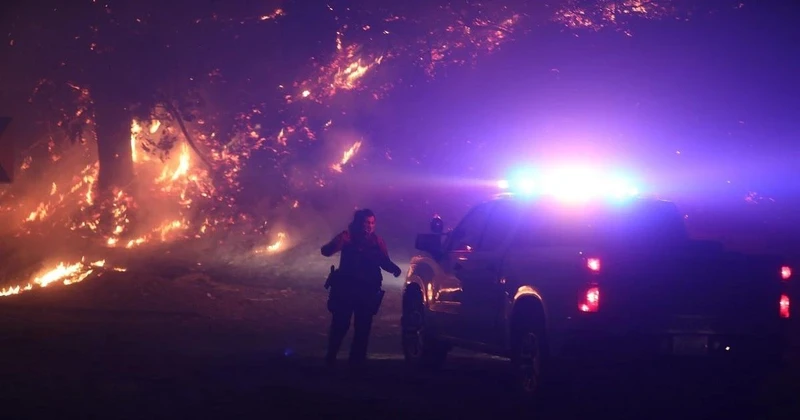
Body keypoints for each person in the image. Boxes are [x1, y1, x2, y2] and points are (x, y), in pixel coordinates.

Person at [321, 208, 402, 368]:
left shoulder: (377, 242)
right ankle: (331, 358)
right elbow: (326, 251)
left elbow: (383, 260)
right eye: (366, 222)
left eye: (372, 223)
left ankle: (356, 364)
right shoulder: (348, 238)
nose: (369, 226)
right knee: (340, 325)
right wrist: (340, 240)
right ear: (358, 223)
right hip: (346, 289)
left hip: (368, 291)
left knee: (363, 328)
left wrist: (394, 269)